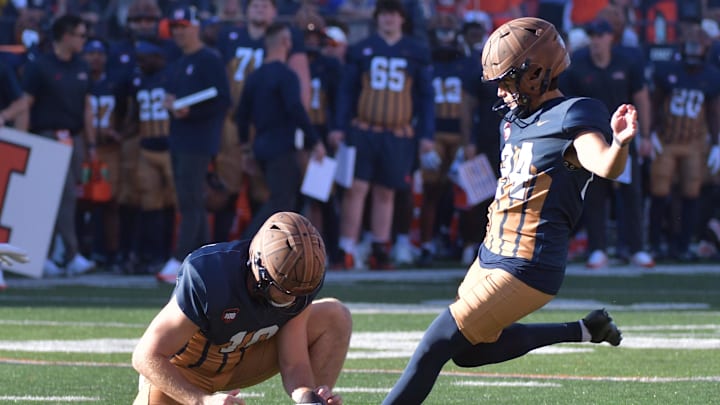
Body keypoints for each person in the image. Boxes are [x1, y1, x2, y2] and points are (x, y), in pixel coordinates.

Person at [382, 17, 628, 404]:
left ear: (536, 74)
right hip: (492, 254)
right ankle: (586, 329)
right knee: (468, 352)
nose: (500, 89)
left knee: (433, 345)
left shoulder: (573, 114)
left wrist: (620, 145)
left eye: (507, 79)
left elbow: (604, 164)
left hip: (528, 264)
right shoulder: (512, 123)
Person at [132, 211, 351, 405]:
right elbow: (146, 355)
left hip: (243, 355)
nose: (292, 300)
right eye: (283, 291)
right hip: (189, 370)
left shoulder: (299, 283)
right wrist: (201, 400)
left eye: (299, 294)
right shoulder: (210, 275)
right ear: (259, 270)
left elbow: (294, 363)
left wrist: (309, 398)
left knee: (335, 317)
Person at [333, 0, 435, 270]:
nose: (388, 19)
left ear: (402, 19)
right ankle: (348, 247)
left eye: (393, 14)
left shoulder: (415, 51)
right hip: (364, 129)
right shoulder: (361, 50)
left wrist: (426, 134)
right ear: (376, 18)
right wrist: (339, 127)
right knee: (356, 189)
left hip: (398, 133)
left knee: (386, 191)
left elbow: (425, 97)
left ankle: (380, 246)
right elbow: (347, 91)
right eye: (384, 14)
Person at [559, 17, 655, 268]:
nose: (596, 41)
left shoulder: (628, 62)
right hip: (591, 138)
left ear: (610, 37)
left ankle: (635, 248)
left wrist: (645, 135)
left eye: (600, 35)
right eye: (592, 36)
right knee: (594, 194)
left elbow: (642, 98)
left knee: (631, 193)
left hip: (624, 137)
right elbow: (566, 103)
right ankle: (597, 248)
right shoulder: (578, 64)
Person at [155, 6, 231, 284]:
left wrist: (190, 112)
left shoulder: (208, 59)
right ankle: (205, 260)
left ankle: (181, 257)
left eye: (183, 26)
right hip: (180, 138)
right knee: (190, 200)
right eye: (174, 27)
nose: (178, 32)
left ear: (196, 27)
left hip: (198, 139)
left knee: (190, 200)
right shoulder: (178, 61)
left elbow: (222, 99)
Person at [22, 14, 97, 277]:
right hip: (47, 136)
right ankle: (71, 253)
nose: (83, 40)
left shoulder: (82, 67)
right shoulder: (40, 65)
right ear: (66, 35)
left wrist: (91, 143)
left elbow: (87, 107)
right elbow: (26, 103)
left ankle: (49, 254)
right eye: (80, 34)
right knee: (60, 195)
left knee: (66, 197)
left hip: (74, 138)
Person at [236, 22, 326, 238]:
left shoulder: (255, 77)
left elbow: (241, 115)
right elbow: (296, 109)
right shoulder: (286, 75)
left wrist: (246, 149)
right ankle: (245, 246)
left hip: (261, 146)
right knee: (281, 202)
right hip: (281, 147)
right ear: (287, 43)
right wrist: (315, 141)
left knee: (281, 199)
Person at [648, 23, 720, 261]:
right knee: (660, 191)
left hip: (693, 143)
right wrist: (650, 133)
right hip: (666, 140)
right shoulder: (668, 71)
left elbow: (713, 111)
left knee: (691, 193)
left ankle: (684, 244)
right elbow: (654, 102)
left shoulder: (711, 76)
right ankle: (656, 243)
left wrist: (716, 143)